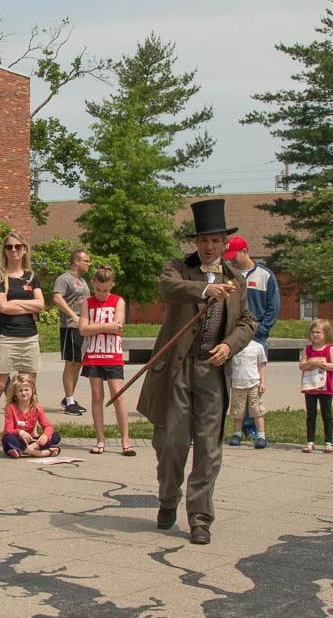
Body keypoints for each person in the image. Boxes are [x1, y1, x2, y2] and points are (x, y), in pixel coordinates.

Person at [136, 198, 257, 545]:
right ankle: (168, 497)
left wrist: (230, 345)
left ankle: (200, 518)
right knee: (172, 442)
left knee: (208, 446)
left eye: (215, 241)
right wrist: (205, 289)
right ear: (197, 242)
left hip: (212, 370)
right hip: (177, 368)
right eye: (203, 240)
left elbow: (248, 321)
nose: (208, 246)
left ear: (224, 243)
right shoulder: (178, 268)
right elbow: (168, 289)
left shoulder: (236, 279)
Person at [0, 234, 44, 453]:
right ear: (4, 250)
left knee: (28, 388)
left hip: (29, 337)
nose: (13, 250)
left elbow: (41, 305)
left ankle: (30, 433)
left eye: (18, 246)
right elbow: (2, 307)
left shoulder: (32, 277)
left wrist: (14, 302)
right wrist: (26, 305)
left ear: (25, 249)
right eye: (9, 247)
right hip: (5, 337)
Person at [227, 236, 280, 448]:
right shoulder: (230, 275)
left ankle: (255, 427)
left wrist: (263, 329)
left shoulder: (265, 275)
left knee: (255, 382)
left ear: (245, 251)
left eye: (234, 256)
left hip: (256, 336)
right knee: (238, 380)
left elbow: (273, 306)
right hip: (234, 335)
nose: (232, 261)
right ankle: (240, 426)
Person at [80, 265, 132, 457]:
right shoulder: (87, 302)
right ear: (93, 284)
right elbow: (83, 329)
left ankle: (125, 440)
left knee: (117, 395)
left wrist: (96, 326)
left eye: (105, 290)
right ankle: (100, 439)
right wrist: (106, 326)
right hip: (94, 353)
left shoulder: (118, 301)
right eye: (98, 290)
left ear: (112, 286)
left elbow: (118, 327)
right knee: (96, 396)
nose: (101, 294)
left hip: (112, 353)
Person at [52, 248, 92, 416]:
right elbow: (57, 298)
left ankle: (70, 399)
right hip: (70, 326)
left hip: (82, 326)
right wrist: (72, 316)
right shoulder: (64, 279)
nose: (89, 264)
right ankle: (69, 401)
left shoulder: (82, 281)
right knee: (71, 362)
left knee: (78, 363)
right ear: (76, 261)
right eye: (86, 261)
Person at [299, 318, 333, 453]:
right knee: (311, 414)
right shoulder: (308, 349)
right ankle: (310, 441)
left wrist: (323, 364)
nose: (315, 335)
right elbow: (301, 365)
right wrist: (311, 363)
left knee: (326, 413)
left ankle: (329, 441)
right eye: (313, 332)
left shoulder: (330, 348)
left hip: (326, 387)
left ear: (326, 334)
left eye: (318, 332)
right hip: (310, 387)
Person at [1, 373, 60, 458]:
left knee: (56, 436)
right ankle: (38, 452)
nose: (23, 393)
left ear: (32, 390)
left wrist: (45, 436)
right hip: (16, 439)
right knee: (7, 438)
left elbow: (47, 426)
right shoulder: (11, 408)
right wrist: (20, 432)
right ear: (15, 393)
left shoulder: (37, 407)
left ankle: (22, 451)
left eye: (26, 390)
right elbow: (8, 430)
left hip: (31, 441)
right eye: (20, 391)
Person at [226, 337, 267, 450]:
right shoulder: (234, 346)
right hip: (237, 384)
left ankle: (261, 436)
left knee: (257, 410)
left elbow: (262, 365)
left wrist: (262, 382)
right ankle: (237, 434)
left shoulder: (257, 347)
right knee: (237, 411)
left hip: (254, 384)